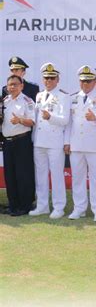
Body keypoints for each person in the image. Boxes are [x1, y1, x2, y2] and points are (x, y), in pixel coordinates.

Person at [64, 66, 96, 222]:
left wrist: (95, 117)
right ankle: (79, 208)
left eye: (88, 81)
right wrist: (67, 142)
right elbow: (69, 123)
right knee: (78, 178)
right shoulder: (73, 98)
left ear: (94, 81)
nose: (85, 84)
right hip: (76, 145)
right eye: (83, 81)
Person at [30, 63, 70, 219]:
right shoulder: (39, 96)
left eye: (52, 78)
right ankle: (42, 206)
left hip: (54, 141)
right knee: (40, 174)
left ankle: (59, 207)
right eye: (46, 78)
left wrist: (50, 117)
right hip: (39, 140)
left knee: (56, 175)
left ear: (57, 79)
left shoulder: (63, 96)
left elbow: (65, 120)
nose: (48, 81)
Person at [1, 75, 36, 215]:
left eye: (15, 84)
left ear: (21, 86)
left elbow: (32, 122)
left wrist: (20, 120)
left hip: (22, 141)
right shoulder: (5, 101)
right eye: (10, 85)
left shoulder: (27, 101)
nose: (12, 87)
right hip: (8, 142)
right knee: (10, 175)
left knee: (23, 174)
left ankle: (25, 205)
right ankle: (13, 204)